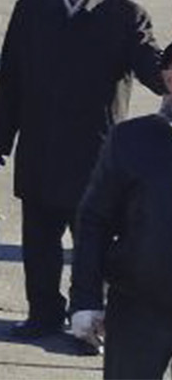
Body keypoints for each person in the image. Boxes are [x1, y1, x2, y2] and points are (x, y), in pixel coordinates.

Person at [0, 0, 164, 341]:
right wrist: (1, 135)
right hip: (40, 147)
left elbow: (150, 64)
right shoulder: (31, 10)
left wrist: (165, 79)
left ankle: (88, 324)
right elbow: (11, 77)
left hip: (96, 153)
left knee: (92, 244)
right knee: (39, 241)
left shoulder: (124, 14)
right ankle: (43, 313)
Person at [70, 43, 172, 377]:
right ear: (168, 78)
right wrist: (86, 299)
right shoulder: (132, 140)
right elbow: (95, 220)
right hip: (139, 308)